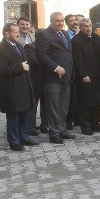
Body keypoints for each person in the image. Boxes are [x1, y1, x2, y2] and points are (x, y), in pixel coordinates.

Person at [0, 23, 38, 151]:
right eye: (15, 32)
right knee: (14, 116)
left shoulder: (18, 45)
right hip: (12, 88)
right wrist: (21, 67)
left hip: (24, 86)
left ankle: (24, 137)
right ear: (7, 34)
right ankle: (14, 141)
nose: (18, 34)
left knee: (25, 114)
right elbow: (1, 69)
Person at [36, 12, 75, 144]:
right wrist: (55, 67)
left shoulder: (64, 33)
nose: (60, 23)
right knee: (53, 107)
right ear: (51, 21)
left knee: (63, 106)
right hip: (52, 78)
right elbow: (41, 55)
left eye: (62, 20)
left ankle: (61, 129)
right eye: (57, 21)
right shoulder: (44, 34)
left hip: (67, 77)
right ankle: (53, 133)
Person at [72, 18, 100, 135]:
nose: (89, 28)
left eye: (90, 25)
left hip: (97, 75)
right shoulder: (76, 40)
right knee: (85, 102)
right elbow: (78, 60)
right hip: (85, 76)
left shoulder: (96, 38)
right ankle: (85, 125)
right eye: (86, 26)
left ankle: (96, 123)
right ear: (81, 27)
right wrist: (83, 74)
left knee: (97, 100)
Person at [64, 14, 80, 130]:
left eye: (75, 20)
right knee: (70, 97)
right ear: (67, 23)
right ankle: (69, 121)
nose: (74, 23)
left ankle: (78, 119)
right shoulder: (66, 35)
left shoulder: (80, 33)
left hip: (81, 69)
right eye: (71, 21)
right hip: (70, 69)